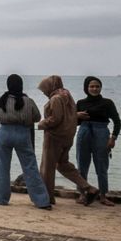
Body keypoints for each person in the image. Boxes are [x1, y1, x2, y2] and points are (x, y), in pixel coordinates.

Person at [0, 74, 51, 208]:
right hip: (23, 133)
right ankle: (41, 201)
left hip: (4, 133)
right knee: (30, 167)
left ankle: (0, 198)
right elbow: (37, 117)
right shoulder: (28, 101)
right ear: (21, 85)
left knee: (2, 166)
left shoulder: (2, 99)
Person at [36, 75, 98, 205]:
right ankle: (88, 188)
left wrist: (41, 124)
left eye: (44, 90)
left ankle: (46, 198)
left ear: (50, 86)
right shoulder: (67, 95)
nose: (43, 92)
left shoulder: (56, 98)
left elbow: (55, 119)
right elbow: (68, 116)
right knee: (63, 165)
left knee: (47, 168)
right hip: (67, 137)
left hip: (54, 137)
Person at [74, 77, 120, 206]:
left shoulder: (107, 103)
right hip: (84, 132)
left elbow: (117, 121)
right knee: (82, 164)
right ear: (86, 88)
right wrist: (77, 115)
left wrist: (113, 138)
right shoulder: (80, 102)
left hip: (101, 132)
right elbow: (75, 122)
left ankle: (103, 195)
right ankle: (83, 194)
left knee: (102, 165)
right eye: (91, 86)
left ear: (101, 87)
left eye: (97, 86)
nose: (94, 89)